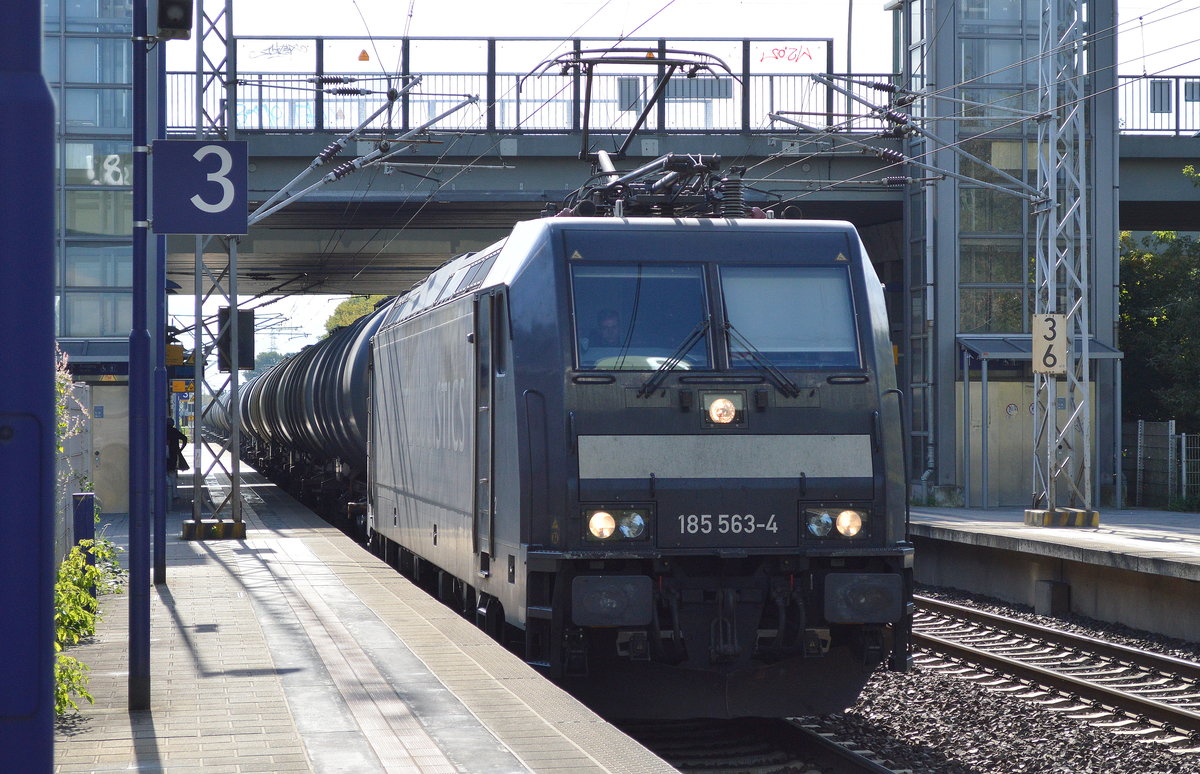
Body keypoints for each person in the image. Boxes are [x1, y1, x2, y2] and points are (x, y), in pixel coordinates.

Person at [167, 418, 189, 503]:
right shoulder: (174, 431)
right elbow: (185, 438)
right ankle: (174, 494)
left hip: (160, 456)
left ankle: (167, 492)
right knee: (172, 474)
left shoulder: (160, 430)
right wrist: (180, 449)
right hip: (173, 456)